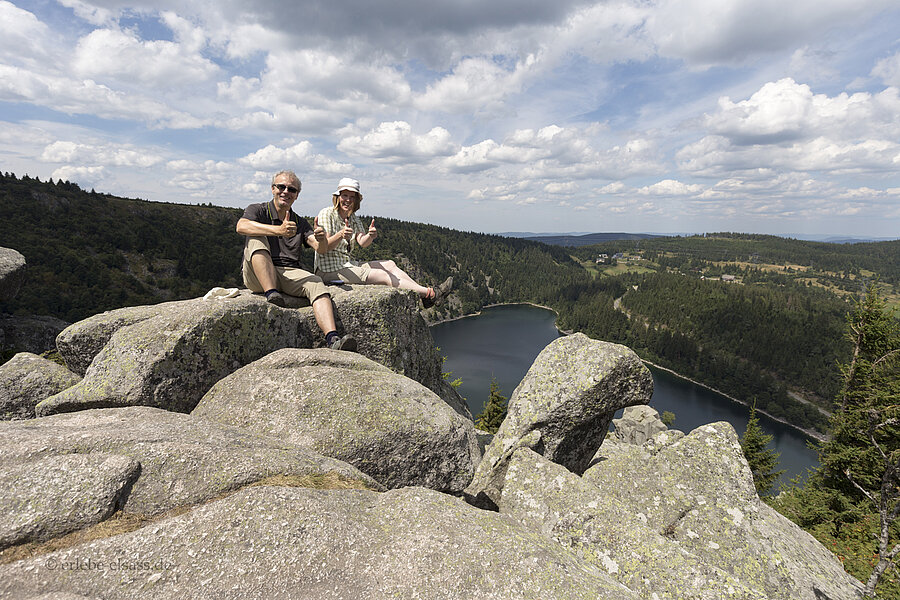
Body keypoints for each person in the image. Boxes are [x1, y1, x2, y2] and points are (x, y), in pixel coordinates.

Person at [236, 170, 357, 351]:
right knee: (255, 238)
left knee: (316, 283)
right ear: (273, 189)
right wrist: (278, 231)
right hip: (259, 273)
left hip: (289, 272)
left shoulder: (300, 222)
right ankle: (271, 294)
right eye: (281, 187)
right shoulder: (258, 210)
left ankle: (333, 340)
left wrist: (322, 237)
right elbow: (241, 226)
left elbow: (320, 248)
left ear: (296, 195)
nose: (285, 192)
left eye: (291, 189)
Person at [314, 177, 452, 308]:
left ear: (356, 200)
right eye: (345, 195)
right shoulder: (327, 213)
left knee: (390, 264)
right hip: (328, 269)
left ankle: (425, 295)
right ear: (338, 197)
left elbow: (363, 242)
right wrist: (340, 235)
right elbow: (324, 247)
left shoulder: (353, 218)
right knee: (383, 276)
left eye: (352, 197)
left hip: (346, 264)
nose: (348, 200)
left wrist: (370, 236)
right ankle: (431, 293)